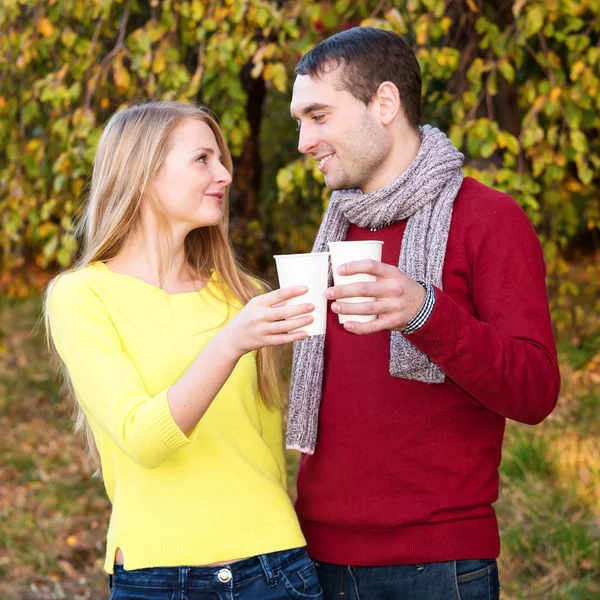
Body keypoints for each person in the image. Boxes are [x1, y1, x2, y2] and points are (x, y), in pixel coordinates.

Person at [288, 27, 560, 599]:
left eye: (318, 116)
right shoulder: (333, 230)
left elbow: (535, 392)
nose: (304, 141)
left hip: (437, 568)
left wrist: (425, 312)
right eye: (298, 122)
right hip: (316, 559)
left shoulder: (489, 218)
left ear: (384, 104)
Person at [45, 101, 324, 600]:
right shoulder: (81, 296)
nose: (223, 175)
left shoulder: (244, 296)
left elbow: (263, 447)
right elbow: (144, 439)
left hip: (275, 569)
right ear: (144, 173)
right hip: (158, 577)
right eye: (203, 160)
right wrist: (231, 341)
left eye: (222, 161)